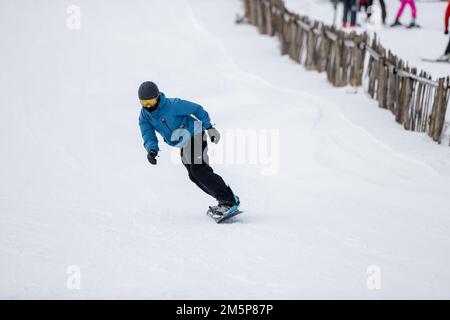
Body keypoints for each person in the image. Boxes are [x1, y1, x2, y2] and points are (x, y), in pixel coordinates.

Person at [137, 81, 240, 218]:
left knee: (199, 169)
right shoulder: (145, 117)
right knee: (193, 175)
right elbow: (148, 135)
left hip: (195, 132)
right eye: (144, 103)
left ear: (157, 98)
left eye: (150, 101)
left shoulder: (173, 105)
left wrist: (209, 127)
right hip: (183, 142)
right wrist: (152, 150)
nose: (148, 106)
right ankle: (225, 199)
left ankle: (228, 200)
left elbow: (196, 109)